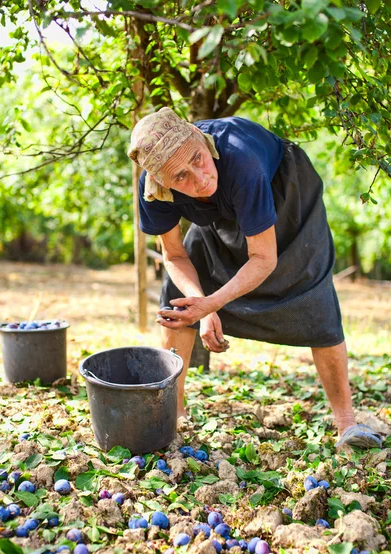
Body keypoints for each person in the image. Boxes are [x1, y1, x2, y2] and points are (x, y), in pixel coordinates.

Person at [128, 107, 382, 449]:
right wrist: (201, 305)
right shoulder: (154, 189)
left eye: (198, 160)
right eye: (181, 177)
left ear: (201, 140)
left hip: (284, 194)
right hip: (218, 215)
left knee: (313, 298)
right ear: (161, 182)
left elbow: (263, 258)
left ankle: (346, 423)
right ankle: (172, 416)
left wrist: (212, 303)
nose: (199, 177)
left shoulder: (241, 160)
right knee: (176, 299)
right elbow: (174, 256)